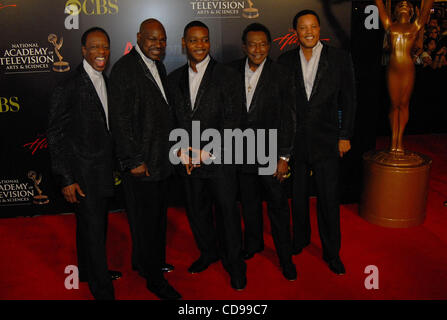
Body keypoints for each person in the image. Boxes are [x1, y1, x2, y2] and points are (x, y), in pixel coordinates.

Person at [168, 21, 247, 290]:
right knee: (197, 212)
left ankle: (235, 265)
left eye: (204, 40)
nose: (200, 45)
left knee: (227, 214)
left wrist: (206, 152)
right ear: (183, 43)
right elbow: (173, 121)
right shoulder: (173, 78)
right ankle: (208, 253)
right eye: (193, 40)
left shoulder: (227, 76)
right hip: (188, 164)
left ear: (209, 42)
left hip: (220, 160)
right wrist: (181, 152)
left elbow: (233, 120)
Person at [278, 10, 356, 275]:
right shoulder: (285, 60)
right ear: (295, 32)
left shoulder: (339, 58)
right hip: (297, 142)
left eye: (312, 26)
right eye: (302, 27)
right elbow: (283, 105)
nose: (308, 31)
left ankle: (332, 252)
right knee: (298, 198)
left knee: (328, 200)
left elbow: (350, 99)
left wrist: (344, 135)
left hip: (328, 141)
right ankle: (299, 241)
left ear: (319, 28)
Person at [108, 18, 180, 300]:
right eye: (152, 39)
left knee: (154, 219)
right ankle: (155, 280)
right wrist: (133, 159)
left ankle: (144, 262)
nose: (158, 45)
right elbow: (120, 119)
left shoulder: (158, 66)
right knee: (147, 222)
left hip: (161, 161)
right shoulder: (125, 69)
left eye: (162, 40)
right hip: (141, 164)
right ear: (138, 37)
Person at [47, 27, 121, 300]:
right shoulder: (68, 87)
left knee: (94, 228)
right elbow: (55, 135)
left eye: (105, 47)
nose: (101, 52)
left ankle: (89, 272)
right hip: (82, 175)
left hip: (102, 173)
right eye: (95, 47)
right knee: (93, 231)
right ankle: (103, 290)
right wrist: (66, 178)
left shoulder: (107, 81)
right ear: (83, 50)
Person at [228, 23, 297, 281]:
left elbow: (289, 118)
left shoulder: (282, 73)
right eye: (252, 44)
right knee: (248, 203)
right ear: (244, 46)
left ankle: (285, 256)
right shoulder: (231, 71)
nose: (257, 49)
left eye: (263, 44)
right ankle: (253, 243)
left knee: (278, 207)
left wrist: (284, 157)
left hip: (270, 152)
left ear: (269, 46)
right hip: (241, 152)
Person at [375, 0, 435, 152]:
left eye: (407, 4)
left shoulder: (415, 26)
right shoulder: (389, 24)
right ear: (394, 11)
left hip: (408, 69)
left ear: (412, 11)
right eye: (400, 3)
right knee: (394, 105)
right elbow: (380, 5)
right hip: (392, 69)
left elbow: (427, 5)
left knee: (404, 105)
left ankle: (399, 141)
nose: (403, 4)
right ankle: (393, 142)